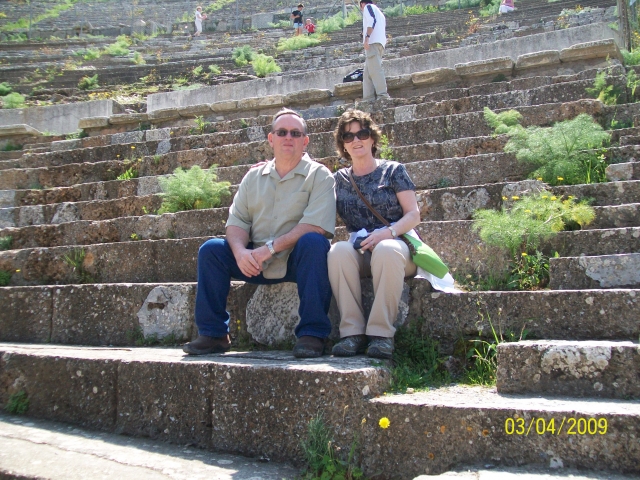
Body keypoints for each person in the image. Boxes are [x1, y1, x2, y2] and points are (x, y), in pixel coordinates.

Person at [183, 108, 337, 358]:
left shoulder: (319, 176)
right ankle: (214, 334)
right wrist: (241, 252)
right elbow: (237, 222)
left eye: (295, 133)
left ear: (305, 141)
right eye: (282, 132)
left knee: (314, 243)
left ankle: (312, 334)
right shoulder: (253, 176)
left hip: (293, 261)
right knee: (211, 250)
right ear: (271, 138)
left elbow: (316, 225)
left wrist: (271, 249)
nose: (289, 137)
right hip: (254, 262)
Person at [328, 110, 420, 359]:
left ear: (372, 138)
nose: (356, 140)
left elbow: (413, 214)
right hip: (360, 250)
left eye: (362, 133)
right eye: (348, 136)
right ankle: (351, 333)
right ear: (343, 145)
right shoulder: (338, 180)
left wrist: (387, 233)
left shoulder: (393, 170)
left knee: (386, 250)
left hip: (397, 248)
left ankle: (381, 335)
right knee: (337, 251)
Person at [360, 0, 389, 101]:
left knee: (375, 70)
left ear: (362, 4)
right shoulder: (379, 12)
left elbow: (372, 20)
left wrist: (367, 37)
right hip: (380, 44)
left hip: (372, 43)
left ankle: (383, 96)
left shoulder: (368, 7)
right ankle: (368, 98)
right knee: (368, 73)